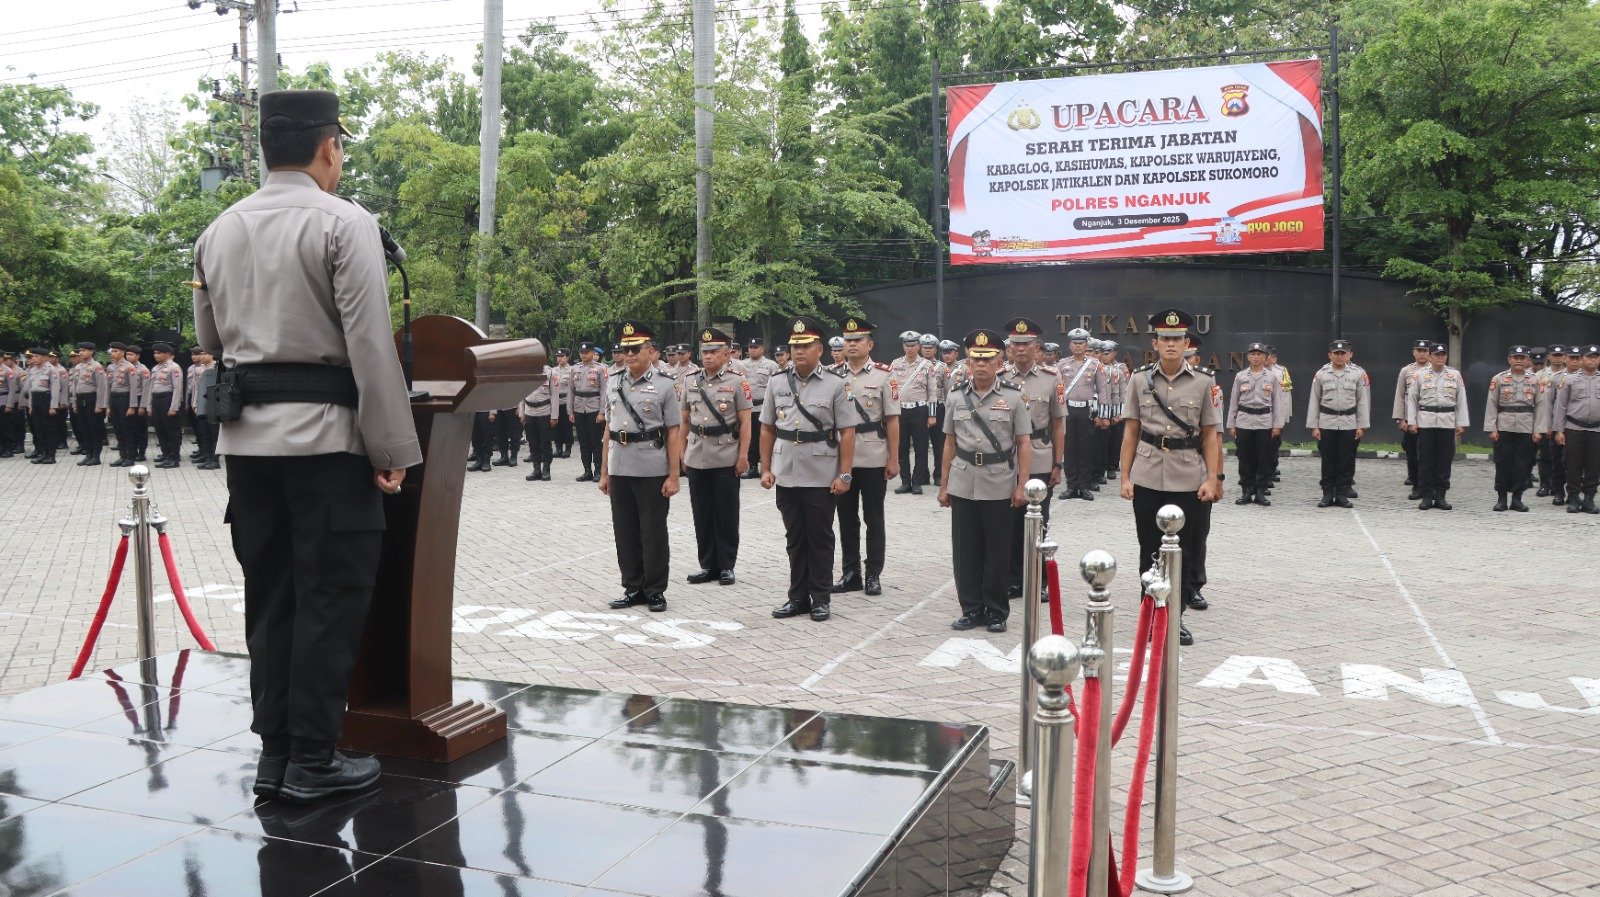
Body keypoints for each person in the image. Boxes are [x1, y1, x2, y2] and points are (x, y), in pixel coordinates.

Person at [192, 88, 422, 802]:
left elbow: (208, 341)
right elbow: (370, 348)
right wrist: (391, 447)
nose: (341, 160)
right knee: (329, 598)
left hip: (249, 449)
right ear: (328, 147)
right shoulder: (345, 223)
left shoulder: (218, 229)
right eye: (342, 148)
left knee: (272, 600)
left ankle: (276, 755)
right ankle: (314, 760)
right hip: (326, 444)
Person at [1120, 309, 1224, 647]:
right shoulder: (1138, 380)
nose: (1170, 344)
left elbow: (1210, 434)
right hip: (1148, 475)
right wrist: (1125, 476)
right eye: (1164, 339)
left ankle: (1173, 618)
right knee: (1149, 550)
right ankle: (1149, 615)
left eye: (1177, 339)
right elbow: (1131, 431)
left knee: (1184, 552)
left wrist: (1212, 478)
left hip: (1188, 478)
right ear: (1155, 343)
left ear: (1186, 344)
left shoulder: (1204, 381)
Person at [761, 316, 858, 623]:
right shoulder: (777, 382)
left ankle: (820, 598)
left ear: (819, 349)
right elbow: (767, 428)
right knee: (795, 537)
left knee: (819, 537)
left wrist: (844, 474)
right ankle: (797, 597)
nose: (798, 350)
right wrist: (765, 468)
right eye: (794, 345)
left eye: (805, 345)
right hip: (786, 470)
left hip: (820, 473)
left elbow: (848, 432)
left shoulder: (836, 383)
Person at [938, 328, 1030, 634]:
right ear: (967, 360)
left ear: (999, 360)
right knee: (966, 550)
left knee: (997, 550)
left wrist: (1021, 485)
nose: (980, 365)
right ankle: (971, 608)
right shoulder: (955, 396)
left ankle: (996, 611)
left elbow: (1024, 444)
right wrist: (943, 484)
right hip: (963, 481)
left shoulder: (1013, 397)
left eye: (987, 359)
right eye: (975, 358)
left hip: (999, 482)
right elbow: (949, 442)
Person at [599, 321, 683, 612]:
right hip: (620, 464)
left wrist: (674, 475)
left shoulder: (663, 384)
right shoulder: (613, 381)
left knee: (653, 532)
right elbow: (609, 428)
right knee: (625, 531)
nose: (629, 354)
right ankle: (632, 587)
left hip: (651, 467)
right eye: (626, 349)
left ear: (650, 351)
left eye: (635, 349)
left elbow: (673, 431)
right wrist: (604, 472)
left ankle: (655, 590)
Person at [832, 317, 899, 597]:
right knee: (846, 518)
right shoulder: (832, 375)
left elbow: (893, 420)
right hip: (841, 459)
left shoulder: (885, 376)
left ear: (870, 344)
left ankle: (873, 573)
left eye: (858, 340)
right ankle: (850, 573)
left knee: (874, 517)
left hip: (873, 455)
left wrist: (894, 459)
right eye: (848, 341)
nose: (852, 345)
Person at [681, 327, 751, 586]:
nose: (708, 356)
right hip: (697, 453)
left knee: (726, 513)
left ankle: (726, 565)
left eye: (714, 351)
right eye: (705, 352)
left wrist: (743, 456)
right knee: (702, 513)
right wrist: (681, 453)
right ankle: (708, 564)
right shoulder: (691, 380)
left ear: (727, 353)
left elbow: (745, 423)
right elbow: (684, 420)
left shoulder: (737, 381)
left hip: (726, 454)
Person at [1000, 318, 1063, 599]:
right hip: (1006, 457)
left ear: (1037, 347)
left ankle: (1039, 581)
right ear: (1009, 348)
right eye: (1016, 343)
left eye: (1026, 344)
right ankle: (1014, 579)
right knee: (1010, 523)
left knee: (1039, 521)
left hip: (1039, 454)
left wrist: (1058, 463)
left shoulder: (1052, 378)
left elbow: (1058, 423)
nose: (1021, 348)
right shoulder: (1000, 377)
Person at [1306, 340, 1371, 507]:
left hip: (1348, 423)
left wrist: (1361, 425)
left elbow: (1362, 401)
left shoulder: (1356, 375)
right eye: (1336, 353)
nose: (1340, 356)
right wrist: (1314, 426)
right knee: (1328, 460)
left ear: (1349, 355)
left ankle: (1342, 494)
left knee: (1344, 459)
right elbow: (1314, 400)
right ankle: (1327, 494)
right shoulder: (1321, 374)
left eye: (1343, 353)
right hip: (1326, 422)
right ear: (1330, 355)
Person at [1405, 342, 1469, 510]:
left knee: (1444, 460)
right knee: (1425, 460)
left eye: (1443, 355)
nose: (1440, 357)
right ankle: (1426, 495)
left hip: (1447, 422)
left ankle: (1440, 495)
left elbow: (1461, 400)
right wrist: (1411, 421)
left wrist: (1461, 422)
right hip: (1426, 422)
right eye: (1436, 354)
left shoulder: (1454, 375)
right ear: (1430, 356)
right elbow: (1411, 399)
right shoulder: (1419, 375)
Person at [1484, 345, 1544, 512]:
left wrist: (1538, 429)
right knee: (1502, 463)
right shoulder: (1499, 379)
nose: (1518, 360)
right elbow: (1492, 404)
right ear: (1509, 359)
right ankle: (1502, 499)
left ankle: (1517, 499)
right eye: (1515, 357)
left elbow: (1540, 406)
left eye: (1522, 357)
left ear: (1527, 360)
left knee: (1522, 464)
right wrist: (1492, 428)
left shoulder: (1535, 380)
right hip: (1504, 426)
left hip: (1526, 427)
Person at [1228, 343, 1285, 507]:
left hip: (1264, 421)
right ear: (1248, 357)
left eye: (1259, 354)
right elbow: (1233, 402)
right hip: (1244, 420)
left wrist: (1277, 425)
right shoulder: (1240, 376)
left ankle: (1260, 491)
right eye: (1253, 354)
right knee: (1245, 458)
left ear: (1265, 357)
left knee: (1264, 458)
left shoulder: (1272, 377)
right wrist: (1232, 424)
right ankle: (1246, 491)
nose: (1256, 357)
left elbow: (1277, 403)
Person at [1056, 328, 1108, 500]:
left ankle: (1084, 486)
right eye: (1074, 343)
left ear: (1086, 345)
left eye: (1081, 343)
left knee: (1086, 449)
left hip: (1087, 410)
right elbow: (1057, 390)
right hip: (1067, 410)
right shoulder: (1062, 364)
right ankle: (1071, 486)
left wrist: (1102, 414)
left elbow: (1103, 390)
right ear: (1070, 345)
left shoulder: (1095, 365)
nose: (1078, 346)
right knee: (1069, 449)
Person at [1551, 343, 1600, 513]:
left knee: (1594, 466)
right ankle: (1573, 498)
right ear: (1581, 359)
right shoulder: (1569, 380)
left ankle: (1589, 499)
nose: (1592, 360)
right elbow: (1561, 406)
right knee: (1573, 465)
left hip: (1596, 430)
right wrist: (1559, 430)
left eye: (1596, 357)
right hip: (1574, 428)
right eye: (1589, 357)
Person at [890, 330, 939, 494]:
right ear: (903, 346)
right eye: (907, 345)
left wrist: (932, 415)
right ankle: (905, 481)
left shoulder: (927, 365)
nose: (910, 348)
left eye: (913, 345)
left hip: (920, 410)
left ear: (918, 346)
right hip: (901, 410)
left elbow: (932, 392)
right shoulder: (895, 364)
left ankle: (917, 482)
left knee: (921, 447)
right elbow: (890, 389)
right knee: (901, 448)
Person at [1394, 338, 1431, 497]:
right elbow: (1400, 395)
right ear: (1414, 352)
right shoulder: (1406, 371)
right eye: (1419, 351)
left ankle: (1431, 485)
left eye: (1425, 351)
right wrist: (1401, 418)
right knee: (1413, 454)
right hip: (1411, 419)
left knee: (1429, 455)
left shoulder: (1436, 370)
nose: (1422, 354)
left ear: (1430, 353)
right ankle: (1416, 485)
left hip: (1429, 419)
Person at [740, 337, 781, 479]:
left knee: (764, 438)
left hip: (763, 407)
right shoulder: (742, 365)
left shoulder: (771, 365)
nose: (752, 350)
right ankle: (752, 467)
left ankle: (767, 466)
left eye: (755, 347)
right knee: (749, 438)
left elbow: (777, 385)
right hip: (747, 408)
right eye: (750, 348)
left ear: (762, 349)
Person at [141, 343, 184, 468]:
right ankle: (166, 455)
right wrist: (149, 405)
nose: (156, 355)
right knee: (160, 430)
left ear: (168, 354)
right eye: (155, 353)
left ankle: (174, 458)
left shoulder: (174, 367)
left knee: (171, 430)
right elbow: (151, 388)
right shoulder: (155, 368)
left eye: (159, 353)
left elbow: (177, 388)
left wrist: (174, 407)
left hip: (168, 399)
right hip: (156, 399)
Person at [568, 342, 607, 481]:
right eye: (582, 352)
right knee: (583, 441)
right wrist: (570, 411)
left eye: (586, 352)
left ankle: (598, 470)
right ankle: (587, 471)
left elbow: (604, 392)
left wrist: (602, 412)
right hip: (579, 407)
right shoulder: (574, 368)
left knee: (596, 441)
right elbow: (571, 391)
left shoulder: (600, 369)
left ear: (592, 353)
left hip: (594, 407)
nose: (584, 355)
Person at [68, 342, 108, 466]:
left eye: (84, 350)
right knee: (84, 428)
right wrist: (74, 402)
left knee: (94, 428)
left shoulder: (97, 366)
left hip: (92, 399)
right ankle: (88, 454)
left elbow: (102, 387)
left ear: (91, 352)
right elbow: (75, 385)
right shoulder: (78, 367)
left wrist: (99, 405)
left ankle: (96, 456)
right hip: (80, 399)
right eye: (80, 350)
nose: (81, 353)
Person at [23, 348, 64, 464]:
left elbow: (55, 389)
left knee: (49, 429)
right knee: (38, 429)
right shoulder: (33, 370)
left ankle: (51, 455)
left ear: (45, 357)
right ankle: (42, 453)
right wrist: (30, 405)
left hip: (46, 399)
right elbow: (31, 389)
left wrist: (53, 406)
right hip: (35, 400)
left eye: (36, 356)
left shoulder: (51, 370)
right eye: (33, 356)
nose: (34, 359)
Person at [1546, 345, 1575, 504]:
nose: (1575, 362)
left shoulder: (1584, 378)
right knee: (1557, 461)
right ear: (1566, 359)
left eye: (1578, 358)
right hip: (1559, 426)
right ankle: (1558, 492)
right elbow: (1549, 404)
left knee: (1575, 463)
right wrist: (1550, 426)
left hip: (1577, 426)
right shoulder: (1556, 378)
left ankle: (1573, 493)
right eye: (1572, 358)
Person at [518, 374, 558, 481]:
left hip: (544, 412)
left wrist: (554, 416)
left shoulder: (550, 373)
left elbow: (554, 396)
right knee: (532, 443)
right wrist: (522, 413)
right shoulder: (526, 372)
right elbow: (521, 394)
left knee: (545, 443)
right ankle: (536, 470)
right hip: (529, 412)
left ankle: (546, 470)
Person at [190, 347, 221, 470]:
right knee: (204, 433)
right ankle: (207, 458)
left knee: (214, 434)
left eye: (205, 354)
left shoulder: (217, 368)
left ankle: (215, 460)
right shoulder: (201, 369)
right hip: (202, 405)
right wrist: (195, 403)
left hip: (214, 405)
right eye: (201, 354)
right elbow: (197, 389)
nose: (202, 356)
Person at [124, 344, 150, 462]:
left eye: (131, 354)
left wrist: (143, 406)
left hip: (139, 400)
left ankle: (142, 452)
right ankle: (132, 451)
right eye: (127, 354)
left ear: (138, 356)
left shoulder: (143, 369)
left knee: (140, 428)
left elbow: (146, 389)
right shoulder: (124, 368)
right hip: (128, 399)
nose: (128, 356)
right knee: (129, 428)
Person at [550, 348, 573, 459]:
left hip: (566, 401)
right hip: (556, 402)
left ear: (567, 357)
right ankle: (558, 448)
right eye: (558, 356)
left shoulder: (572, 370)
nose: (559, 358)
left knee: (567, 426)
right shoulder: (553, 371)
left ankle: (568, 449)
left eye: (562, 356)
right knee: (556, 426)